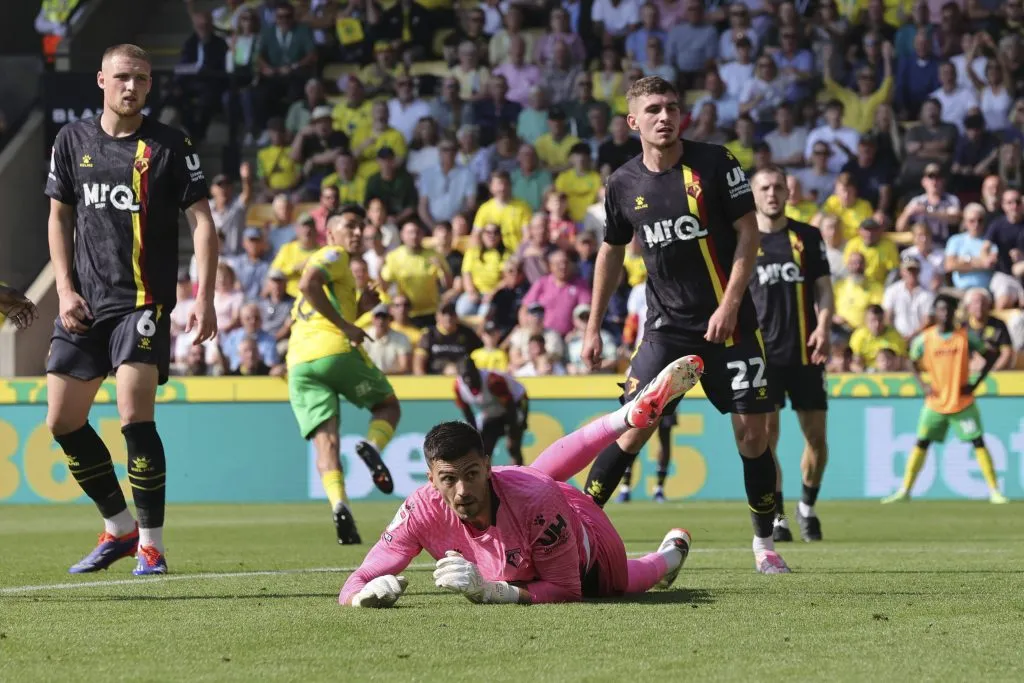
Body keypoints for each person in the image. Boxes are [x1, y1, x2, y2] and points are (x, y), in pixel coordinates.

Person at [580, 76, 791, 574]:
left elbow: (747, 236)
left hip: (732, 326)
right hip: (666, 330)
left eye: (672, 107)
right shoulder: (623, 183)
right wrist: (592, 327)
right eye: (653, 109)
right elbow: (610, 253)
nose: (665, 116)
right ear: (633, 121)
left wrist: (730, 305)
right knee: (632, 428)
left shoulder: (717, 163)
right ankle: (579, 529)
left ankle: (764, 544)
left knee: (753, 437)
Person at [44, 44, 218, 576]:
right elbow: (59, 218)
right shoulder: (72, 140)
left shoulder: (169, 145)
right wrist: (64, 291)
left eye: (142, 79)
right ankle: (118, 527)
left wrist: (203, 296)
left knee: (133, 417)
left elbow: (204, 223)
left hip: (141, 303)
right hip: (84, 306)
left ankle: (151, 545)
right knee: (62, 421)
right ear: (101, 80)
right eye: (123, 77)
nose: (133, 87)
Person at [339, 355, 702, 608]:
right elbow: (358, 579)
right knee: (537, 476)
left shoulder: (534, 498)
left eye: (471, 475)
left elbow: (565, 590)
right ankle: (671, 547)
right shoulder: (419, 510)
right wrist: (363, 596)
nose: (462, 491)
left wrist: (491, 592)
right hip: (531, 495)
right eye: (448, 479)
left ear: (487, 466)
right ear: (431, 479)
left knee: (629, 582)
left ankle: (665, 558)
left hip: (589, 548)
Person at [287, 205, 403, 545]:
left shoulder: (340, 272)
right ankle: (371, 444)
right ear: (331, 230)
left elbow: (313, 298)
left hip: (299, 363)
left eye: (361, 227)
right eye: (349, 225)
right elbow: (309, 285)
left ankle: (340, 505)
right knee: (388, 406)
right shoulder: (334, 254)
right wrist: (347, 325)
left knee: (327, 442)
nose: (357, 232)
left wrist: (360, 306)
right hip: (333, 350)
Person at [749, 167, 834, 543]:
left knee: (816, 437)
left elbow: (824, 289)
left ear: (788, 192)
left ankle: (808, 507)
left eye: (778, 187)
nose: (771, 194)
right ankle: (780, 516)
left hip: (805, 354)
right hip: (763, 356)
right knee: (768, 440)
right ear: (753, 194)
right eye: (764, 188)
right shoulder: (743, 239)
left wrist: (824, 326)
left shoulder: (807, 237)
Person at [882, 295, 1009, 505]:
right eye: (941, 310)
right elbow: (910, 360)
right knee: (921, 442)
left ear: (954, 313)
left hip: (962, 402)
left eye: (949, 310)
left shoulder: (965, 337)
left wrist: (976, 383)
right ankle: (905, 490)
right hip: (936, 402)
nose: (945, 314)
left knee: (978, 442)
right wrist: (922, 385)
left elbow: (991, 355)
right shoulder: (926, 338)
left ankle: (994, 491)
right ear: (936, 313)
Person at [453, 357, 528, 466]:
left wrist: (513, 429)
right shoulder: (458, 387)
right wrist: (475, 434)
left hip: (515, 405)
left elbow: (510, 406)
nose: (469, 380)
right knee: (484, 448)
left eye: (471, 375)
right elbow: (468, 413)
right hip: (492, 411)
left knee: (513, 446)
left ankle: (519, 472)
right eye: (465, 377)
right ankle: (487, 477)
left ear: (476, 371)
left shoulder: (493, 381)